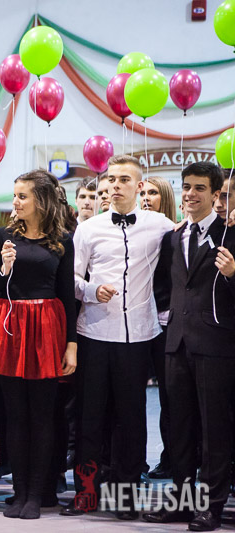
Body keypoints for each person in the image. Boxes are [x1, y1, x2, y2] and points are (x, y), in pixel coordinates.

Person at [64, 155, 174, 520]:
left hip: (139, 337)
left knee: (132, 421)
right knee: (89, 419)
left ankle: (126, 496)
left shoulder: (159, 225)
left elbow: (192, 231)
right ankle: (86, 493)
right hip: (94, 334)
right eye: (111, 178)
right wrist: (92, 290)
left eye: (124, 179)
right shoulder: (88, 229)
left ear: (139, 186)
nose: (115, 185)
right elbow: (71, 279)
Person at [0, 170, 77, 519]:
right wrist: (4, 268)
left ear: (41, 200)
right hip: (10, 327)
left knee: (43, 416)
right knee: (15, 416)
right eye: (15, 195)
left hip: (46, 327)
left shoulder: (62, 239)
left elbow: (66, 295)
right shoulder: (3, 236)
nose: (15, 202)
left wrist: (71, 344)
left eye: (22, 196)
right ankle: (19, 492)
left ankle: (37, 494)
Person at [144, 162, 235, 531]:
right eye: (186, 187)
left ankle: (212, 506)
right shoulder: (174, 237)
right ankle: (182, 503)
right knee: (178, 428)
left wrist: (233, 275)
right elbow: (166, 286)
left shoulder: (230, 234)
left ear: (215, 195)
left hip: (216, 345)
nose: (190, 194)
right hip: (176, 343)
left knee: (214, 430)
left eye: (199, 188)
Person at [136, 175, 177, 481]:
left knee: (170, 398)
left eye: (153, 193)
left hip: (165, 322)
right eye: (144, 193)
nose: (146, 198)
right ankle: (134, 461)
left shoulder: (174, 234)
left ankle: (172, 457)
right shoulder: (135, 233)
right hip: (136, 324)